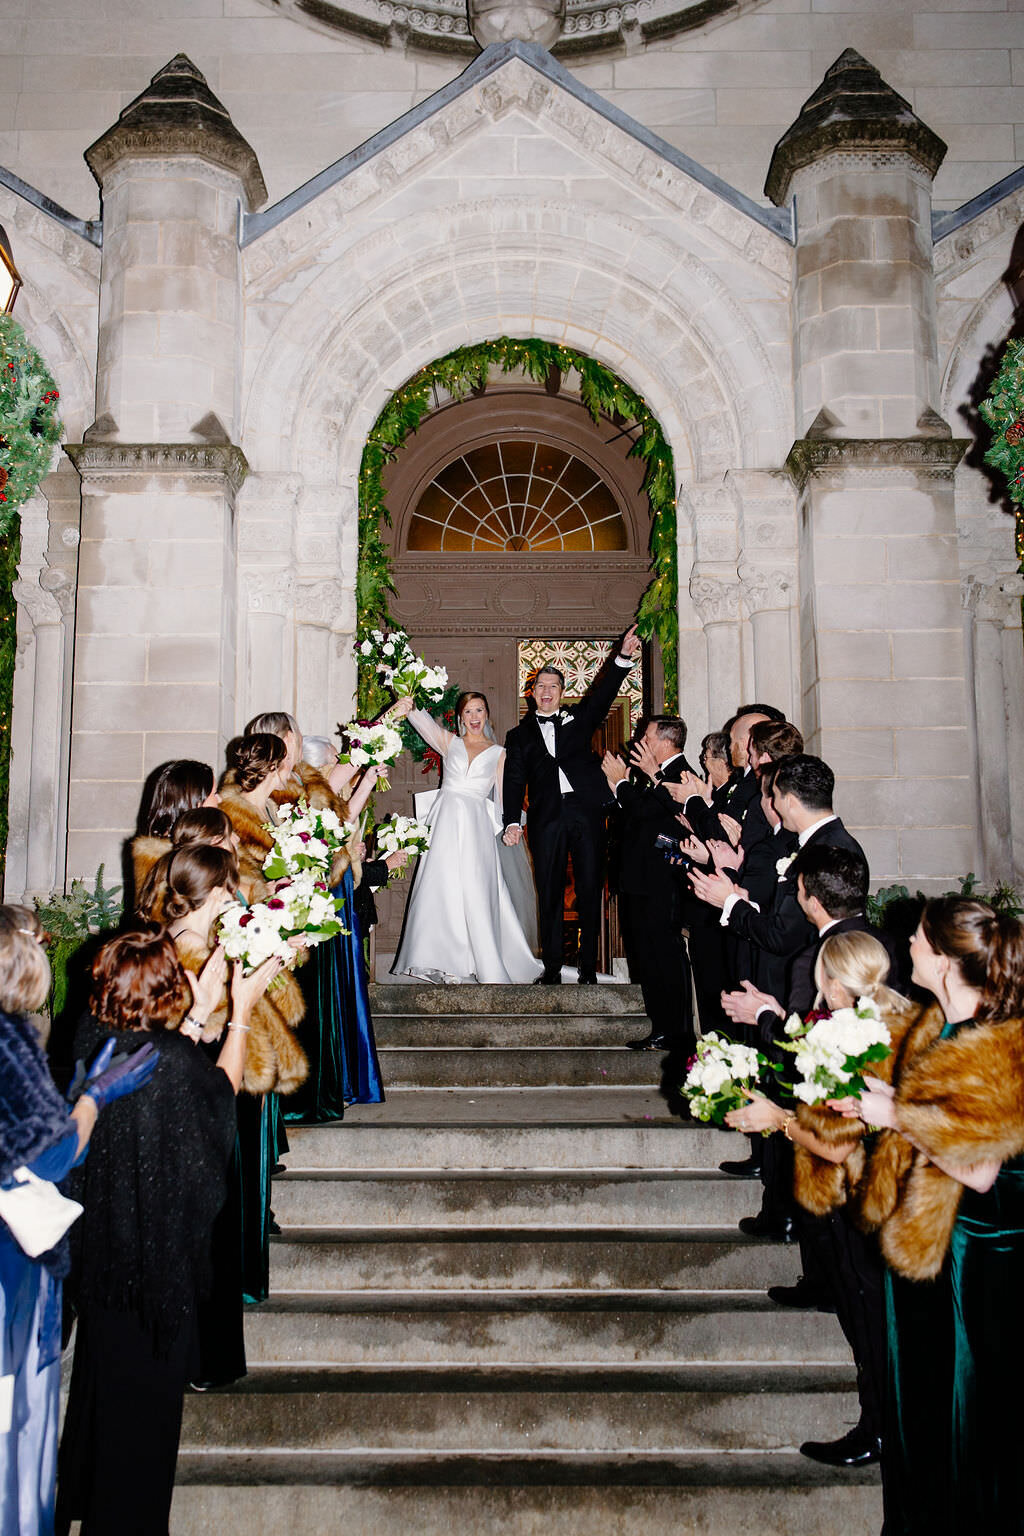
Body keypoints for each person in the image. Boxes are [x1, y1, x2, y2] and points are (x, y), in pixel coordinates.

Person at [56, 928, 280, 1535]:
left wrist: (203, 1006)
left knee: (106, 1421)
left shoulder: (91, 1041)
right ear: (162, 989)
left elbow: (157, 1066)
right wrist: (240, 1012)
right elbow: (217, 1094)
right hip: (154, 1286)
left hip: (100, 1275)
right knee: (142, 1447)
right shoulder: (176, 1066)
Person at [841, 898, 1024, 1533]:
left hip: (972, 1268)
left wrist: (898, 1117)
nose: (908, 946)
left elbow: (978, 1171)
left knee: (962, 1420)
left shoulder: (989, 1042)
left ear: (944, 960)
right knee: (917, 1415)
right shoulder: (937, 1028)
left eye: (918, 939)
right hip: (928, 1255)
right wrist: (891, 1102)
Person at [727, 929, 912, 1471]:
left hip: (859, 1202)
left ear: (830, 983)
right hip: (881, 1200)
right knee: (873, 1325)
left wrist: (778, 1119)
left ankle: (878, 1431)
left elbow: (837, 1142)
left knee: (870, 1326)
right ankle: (880, 1426)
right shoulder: (889, 1019)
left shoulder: (850, 1034)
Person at [0, 908, 156, 1536]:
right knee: (19, 1420)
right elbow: (54, 1152)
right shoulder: (9, 1040)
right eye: (38, 942)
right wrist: (93, 1095)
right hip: (13, 1256)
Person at [502, 627, 642, 984]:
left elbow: (602, 694)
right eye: (541, 686)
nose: (546, 692)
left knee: (589, 887)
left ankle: (588, 969)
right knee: (548, 890)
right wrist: (511, 822)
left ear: (561, 693)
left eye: (553, 687)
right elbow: (514, 780)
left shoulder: (578, 721)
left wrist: (622, 658)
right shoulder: (518, 736)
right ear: (531, 693)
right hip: (546, 820)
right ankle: (551, 968)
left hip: (587, 814)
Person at [392, 691, 542, 985]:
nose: (475, 717)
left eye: (480, 710)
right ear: (461, 717)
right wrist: (399, 683)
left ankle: (482, 960)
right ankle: (444, 961)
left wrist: (511, 826)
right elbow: (419, 719)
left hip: (477, 828)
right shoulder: (450, 742)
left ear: (487, 715)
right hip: (446, 824)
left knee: (476, 890)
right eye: (469, 712)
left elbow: (503, 796)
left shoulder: (499, 753)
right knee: (442, 888)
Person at [601, 716, 697, 1054]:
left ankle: (680, 1033)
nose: (640, 739)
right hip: (638, 879)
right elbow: (633, 816)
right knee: (647, 960)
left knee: (666, 958)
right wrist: (622, 785)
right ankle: (661, 1029)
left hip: (663, 882)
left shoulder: (681, 774)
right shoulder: (649, 775)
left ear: (665, 741)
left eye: (647, 735)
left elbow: (653, 813)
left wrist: (621, 783)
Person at [130, 759, 220, 903]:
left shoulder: (186, 847)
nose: (219, 800)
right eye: (214, 794)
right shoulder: (167, 858)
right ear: (196, 801)